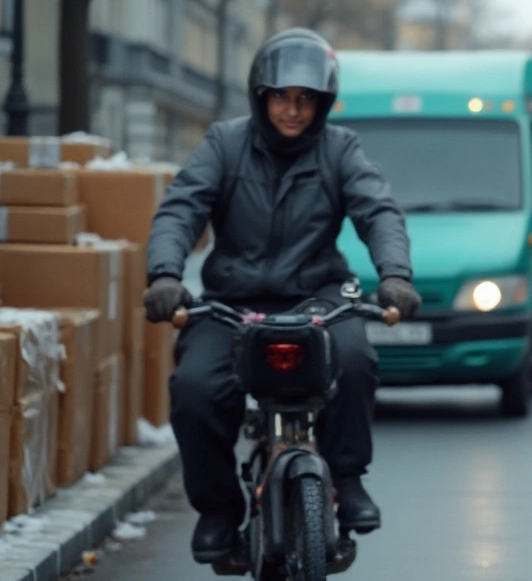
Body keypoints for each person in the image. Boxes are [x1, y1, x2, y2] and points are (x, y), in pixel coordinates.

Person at [143, 28, 422, 564]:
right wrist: (164, 275)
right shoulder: (224, 144)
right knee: (196, 388)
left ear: (322, 104)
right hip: (231, 304)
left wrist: (396, 275)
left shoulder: (341, 149)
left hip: (317, 298)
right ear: (259, 94)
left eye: (305, 100)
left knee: (357, 360)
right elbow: (181, 209)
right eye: (281, 97)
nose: (292, 111)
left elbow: (378, 211)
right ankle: (219, 510)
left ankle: (348, 477)